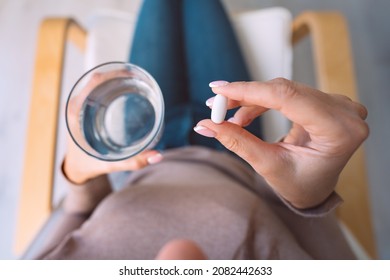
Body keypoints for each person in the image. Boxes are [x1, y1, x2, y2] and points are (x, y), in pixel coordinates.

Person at [34, 0, 368, 259]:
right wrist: (307, 196)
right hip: (237, 150)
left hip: (139, 148)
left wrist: (77, 176)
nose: (180, 254)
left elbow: (74, 220)